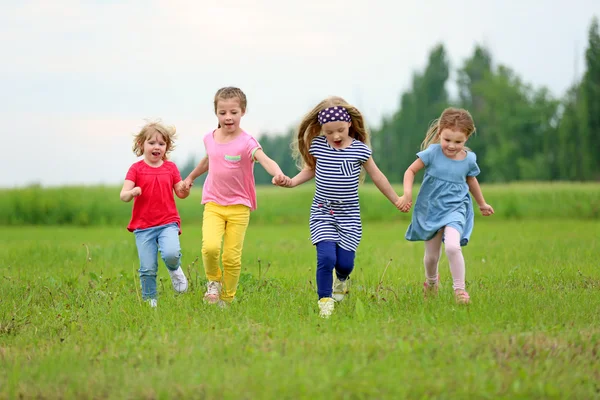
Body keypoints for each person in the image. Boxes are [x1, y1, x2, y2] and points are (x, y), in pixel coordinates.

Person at [274, 96, 403, 318]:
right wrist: (291, 182)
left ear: (350, 124)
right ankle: (324, 300)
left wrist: (396, 199)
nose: (335, 136)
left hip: (349, 216)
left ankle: (341, 280)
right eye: (329, 132)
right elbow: (310, 170)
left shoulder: (360, 150)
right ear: (321, 129)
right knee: (326, 258)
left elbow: (378, 176)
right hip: (322, 213)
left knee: (345, 263)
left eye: (340, 130)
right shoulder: (318, 147)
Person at [183, 87, 287, 307]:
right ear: (216, 113)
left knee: (231, 257)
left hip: (239, 206)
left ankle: (227, 299)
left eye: (233, 112)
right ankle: (213, 282)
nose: (228, 117)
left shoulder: (247, 142)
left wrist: (277, 173)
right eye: (222, 113)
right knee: (209, 247)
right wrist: (191, 177)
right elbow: (208, 160)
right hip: (213, 203)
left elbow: (265, 159)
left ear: (243, 112)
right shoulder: (209, 138)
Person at [397, 107, 494, 304]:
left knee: (452, 247)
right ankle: (432, 282)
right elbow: (410, 171)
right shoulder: (432, 153)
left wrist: (481, 203)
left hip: (456, 209)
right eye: (447, 140)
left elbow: (472, 181)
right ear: (439, 132)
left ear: (466, 138)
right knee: (431, 258)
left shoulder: (468, 160)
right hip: (431, 209)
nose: (451, 146)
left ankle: (460, 290)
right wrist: (407, 193)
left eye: (458, 142)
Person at [120, 120, 190, 308]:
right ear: (141, 144)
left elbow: (180, 193)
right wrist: (132, 192)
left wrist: (185, 188)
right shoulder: (136, 169)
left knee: (171, 253)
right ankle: (150, 301)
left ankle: (175, 271)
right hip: (143, 227)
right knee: (148, 267)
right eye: (152, 142)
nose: (156, 147)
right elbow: (123, 195)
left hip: (168, 222)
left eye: (161, 143)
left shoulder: (171, 168)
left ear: (166, 147)